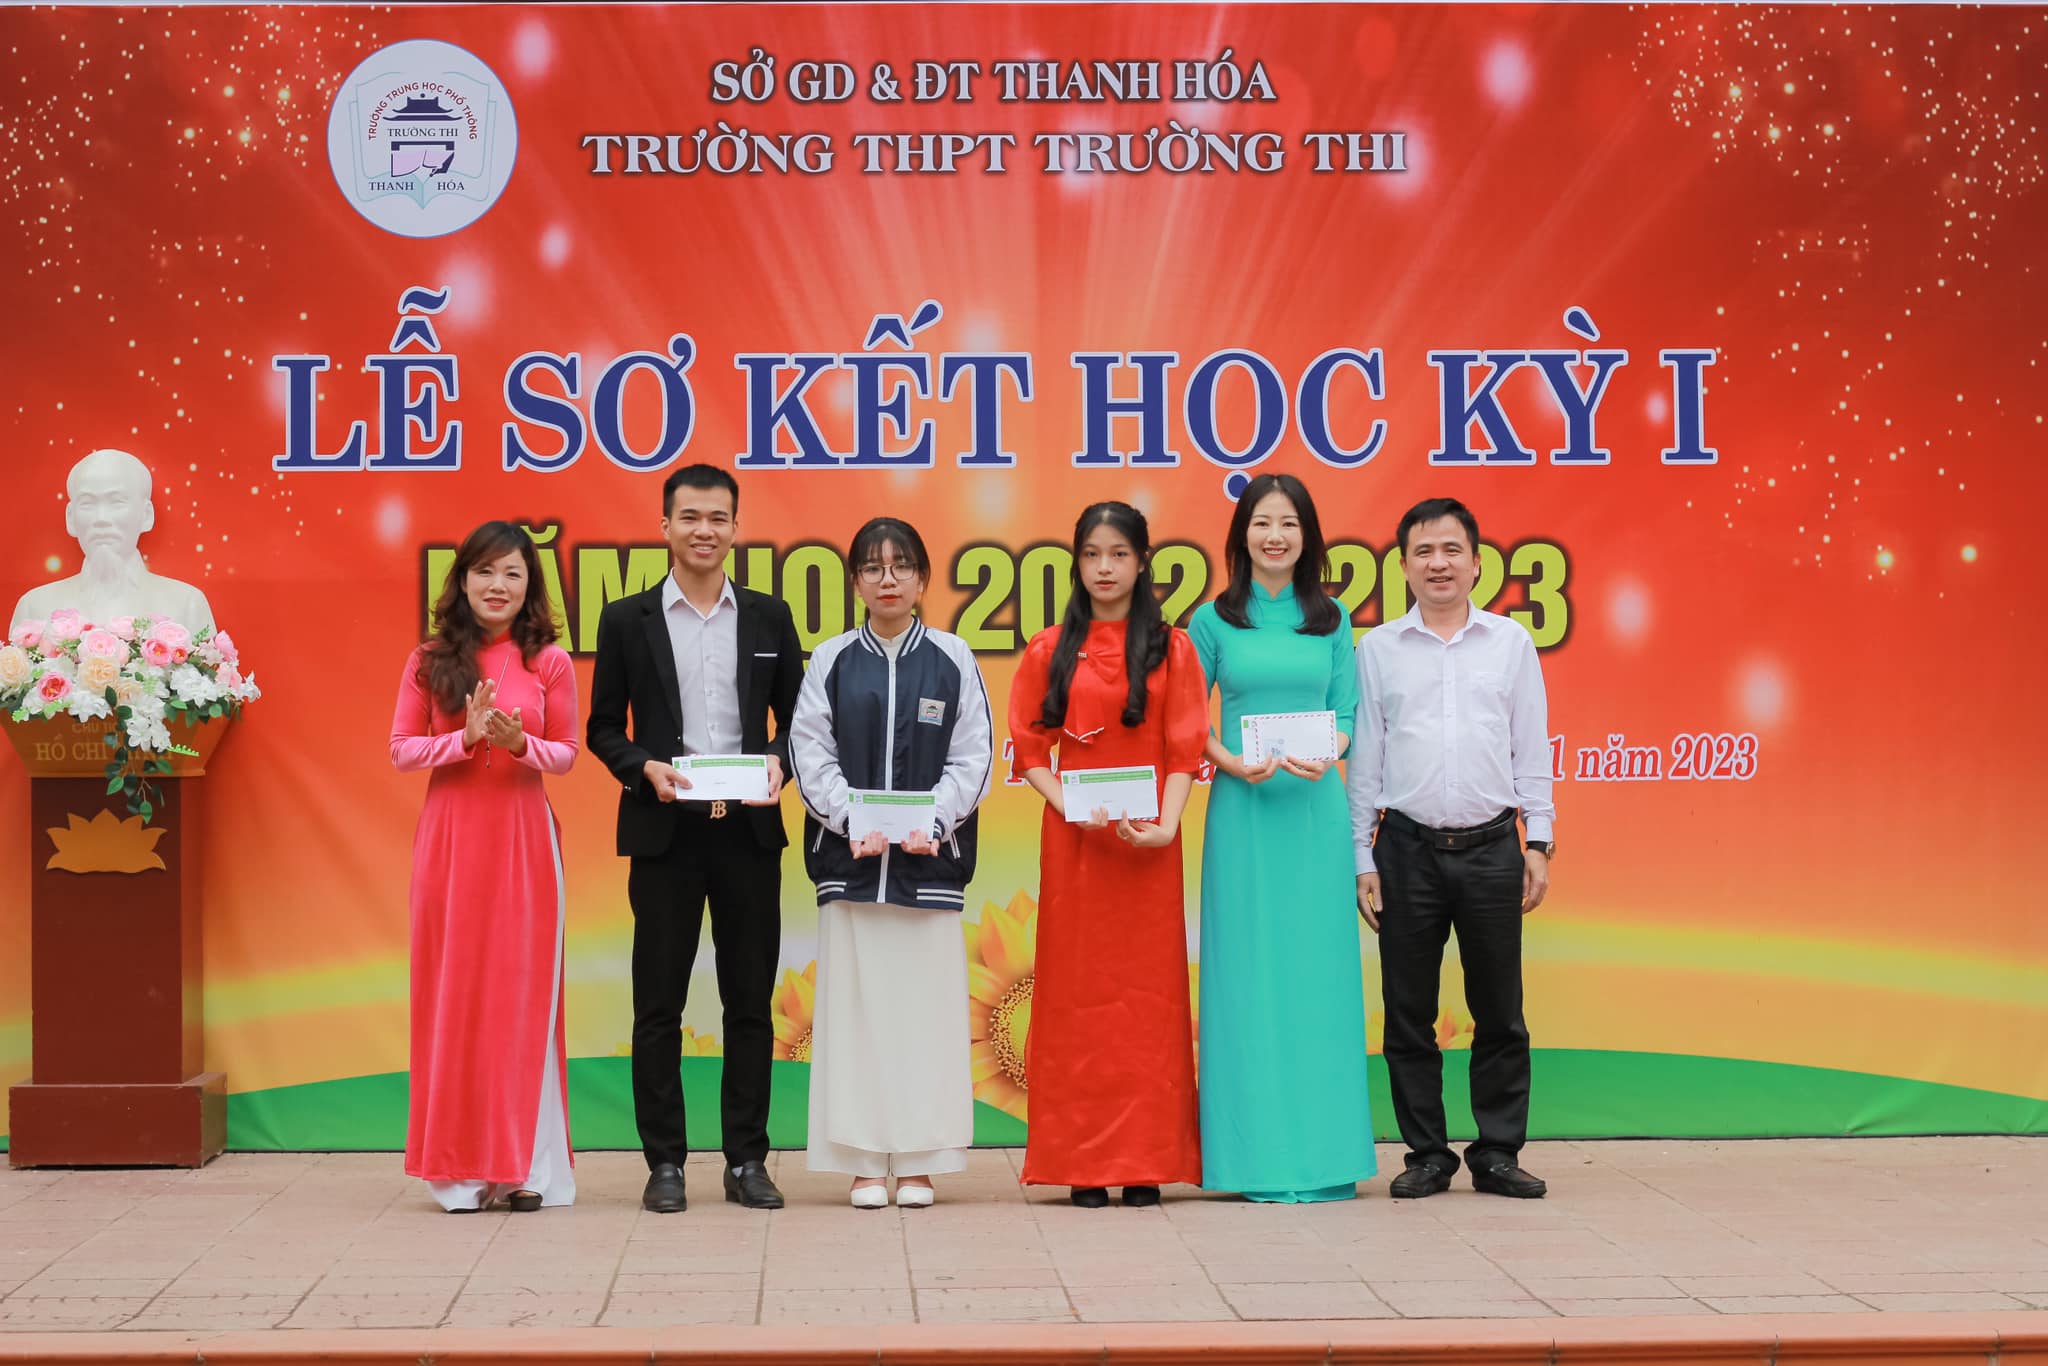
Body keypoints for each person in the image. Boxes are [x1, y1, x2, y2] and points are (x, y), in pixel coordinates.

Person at [587, 464, 805, 1214]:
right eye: (690, 517)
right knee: (659, 1007)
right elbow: (603, 727)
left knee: (749, 1006)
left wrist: (779, 762)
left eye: (717, 517)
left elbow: (799, 724)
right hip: (664, 836)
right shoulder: (627, 619)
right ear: (665, 526)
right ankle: (666, 1164)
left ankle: (747, 1159)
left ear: (736, 527)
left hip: (748, 835)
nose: (704, 530)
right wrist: (640, 766)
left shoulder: (771, 616)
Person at [1346, 497, 1555, 1200]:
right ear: (1404, 566)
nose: (1438, 564)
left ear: (1476, 562)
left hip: (1494, 846)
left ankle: (1497, 1152)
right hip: (1406, 849)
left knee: (1500, 1010)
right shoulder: (1377, 650)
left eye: (1451, 550)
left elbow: (1532, 747)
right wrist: (1361, 856)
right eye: (1424, 552)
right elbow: (1366, 761)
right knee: (1408, 1012)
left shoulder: (1510, 644)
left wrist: (1539, 840)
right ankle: (1427, 1155)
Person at [789, 518, 992, 1209]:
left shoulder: (953, 657)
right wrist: (852, 821)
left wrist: (933, 822)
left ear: (922, 578)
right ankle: (864, 1162)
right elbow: (809, 752)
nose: (887, 580)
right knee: (855, 1019)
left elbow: (973, 756)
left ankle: (920, 1161)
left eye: (901, 566)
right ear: (856, 582)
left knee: (925, 1019)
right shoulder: (831, 660)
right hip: (851, 869)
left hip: (929, 871)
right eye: (873, 568)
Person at [1008, 502, 1206, 1208]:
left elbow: (1184, 748)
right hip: (1077, 848)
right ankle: (1083, 1163)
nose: (1104, 568)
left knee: (1150, 1002)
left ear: (1142, 561)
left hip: (1148, 847)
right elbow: (1029, 749)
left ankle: (1147, 1159)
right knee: (1077, 1000)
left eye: (1119, 554)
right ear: (1077, 562)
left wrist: (1168, 826)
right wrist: (1069, 804)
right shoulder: (1047, 649)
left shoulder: (1174, 649)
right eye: (1092, 554)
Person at [1187, 474, 1377, 1202]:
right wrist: (1229, 760)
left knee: (1318, 978)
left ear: (1308, 536)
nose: (1275, 536)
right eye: (1262, 523)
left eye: (1289, 524)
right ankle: (1250, 1158)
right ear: (1242, 536)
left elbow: (1347, 714)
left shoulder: (1333, 619)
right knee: (1246, 977)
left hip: (1314, 815)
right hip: (1243, 813)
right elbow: (1187, 720)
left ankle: (1324, 1155)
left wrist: (1331, 749)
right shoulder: (1213, 621)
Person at [390, 520, 579, 1213]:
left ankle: (526, 1167)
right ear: (462, 580)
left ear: (530, 587)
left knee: (521, 998)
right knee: (455, 996)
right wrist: (463, 740)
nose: (498, 586)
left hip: (524, 844)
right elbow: (401, 749)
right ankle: (460, 1172)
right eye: (485, 572)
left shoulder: (549, 662)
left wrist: (520, 743)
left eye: (512, 574)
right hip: (451, 845)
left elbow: (567, 753)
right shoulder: (428, 660)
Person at [13, 448, 215, 631]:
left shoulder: (187, 605)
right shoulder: (35, 608)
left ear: (146, 515)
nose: (101, 518)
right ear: (71, 518)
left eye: (117, 502)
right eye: (87, 503)